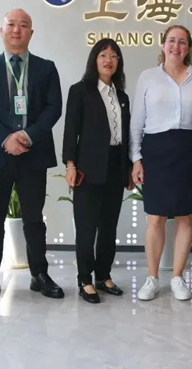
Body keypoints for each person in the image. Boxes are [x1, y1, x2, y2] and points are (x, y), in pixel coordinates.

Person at [0, 9, 64, 302]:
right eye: (11, 24)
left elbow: (53, 108)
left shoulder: (46, 68)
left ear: (31, 33)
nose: (17, 30)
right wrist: (6, 138)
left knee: (34, 218)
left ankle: (40, 275)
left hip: (33, 153)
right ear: (2, 31)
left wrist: (28, 135)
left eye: (23, 26)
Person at [130, 25, 192, 301]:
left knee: (186, 216)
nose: (176, 46)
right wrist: (136, 158)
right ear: (163, 45)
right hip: (157, 151)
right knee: (155, 216)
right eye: (171, 41)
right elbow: (137, 121)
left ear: (189, 48)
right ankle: (152, 278)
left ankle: (177, 276)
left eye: (182, 42)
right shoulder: (148, 77)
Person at [62, 38, 133, 304]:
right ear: (94, 60)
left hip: (115, 166)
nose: (108, 60)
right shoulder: (80, 91)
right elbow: (71, 131)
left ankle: (103, 275)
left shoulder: (122, 97)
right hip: (88, 168)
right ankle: (85, 280)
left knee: (108, 226)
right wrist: (70, 164)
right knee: (86, 226)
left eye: (114, 56)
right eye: (103, 55)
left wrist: (128, 169)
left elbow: (127, 136)